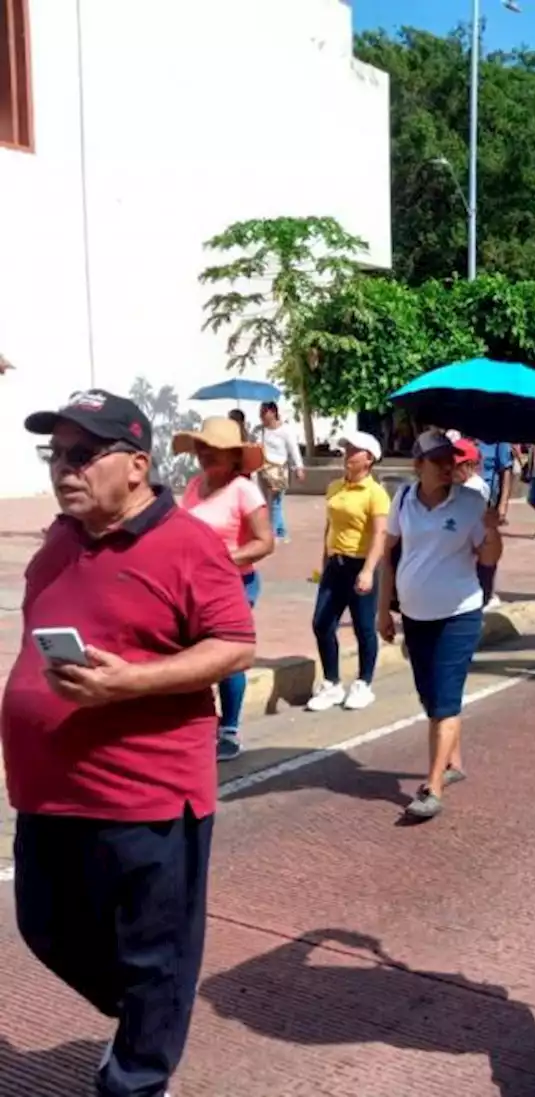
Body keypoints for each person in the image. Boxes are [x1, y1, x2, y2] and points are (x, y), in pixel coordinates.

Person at [4, 390, 255, 1097]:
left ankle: (139, 1074)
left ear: (137, 465)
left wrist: (131, 683)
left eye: (83, 455)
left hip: (145, 796)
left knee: (154, 953)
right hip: (49, 791)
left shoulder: (189, 545)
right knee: (45, 929)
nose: (64, 469)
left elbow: (235, 645)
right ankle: (150, 1010)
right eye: (55, 455)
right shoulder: (58, 541)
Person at [379, 430, 503, 821]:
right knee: (430, 694)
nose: (449, 468)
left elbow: (489, 558)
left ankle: (432, 786)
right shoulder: (402, 498)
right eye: (438, 462)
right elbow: (390, 555)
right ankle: (454, 761)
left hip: (459, 613)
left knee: (445, 698)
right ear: (418, 466)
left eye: (452, 461)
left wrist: (492, 527)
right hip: (415, 614)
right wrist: (383, 610)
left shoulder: (471, 502)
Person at [174, 417, 275, 761]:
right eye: (201, 448)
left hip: (235, 585)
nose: (205, 455)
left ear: (233, 456)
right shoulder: (192, 486)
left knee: (228, 656)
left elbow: (265, 542)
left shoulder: (244, 490)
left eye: (214, 449)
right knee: (195, 654)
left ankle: (229, 730)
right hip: (193, 586)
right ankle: (204, 722)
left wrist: (221, 559)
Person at [306, 431, 389, 713]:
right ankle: (332, 683)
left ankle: (364, 682)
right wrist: (324, 558)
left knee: (364, 627)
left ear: (368, 459)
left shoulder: (375, 494)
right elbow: (330, 526)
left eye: (353, 450)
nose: (347, 455)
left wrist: (368, 571)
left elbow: (380, 535)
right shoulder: (335, 488)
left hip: (360, 564)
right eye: (346, 450)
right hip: (335, 564)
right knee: (321, 623)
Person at [254, 401, 305, 541]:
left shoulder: (285, 430)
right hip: (263, 469)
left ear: (273, 412)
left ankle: (276, 534)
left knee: (275, 503)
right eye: (261, 413)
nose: (262, 416)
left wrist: (299, 467)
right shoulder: (260, 430)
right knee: (266, 502)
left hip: (279, 470)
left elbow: (293, 449)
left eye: (264, 412)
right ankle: (281, 533)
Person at [474, 439, 514, 604]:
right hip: (461, 498)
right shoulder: (461, 433)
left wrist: (503, 504)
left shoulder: (498, 439)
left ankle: (486, 592)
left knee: (488, 546)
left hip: (487, 502)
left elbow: (506, 470)